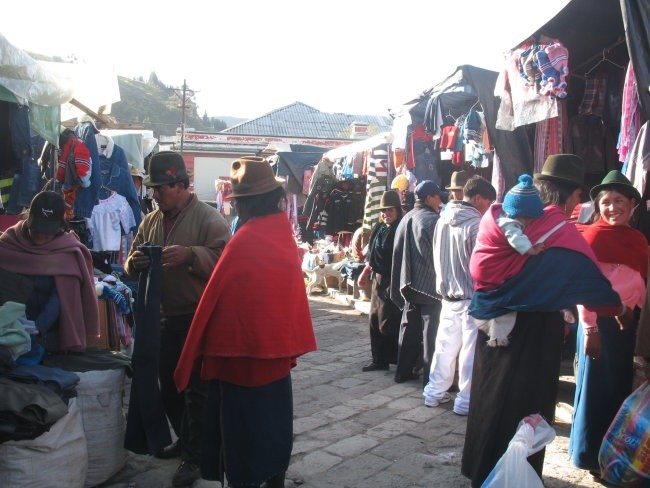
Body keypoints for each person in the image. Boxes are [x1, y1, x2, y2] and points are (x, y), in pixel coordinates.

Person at [461, 154, 628, 488]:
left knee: (490, 399)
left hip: (493, 328)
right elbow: (590, 280)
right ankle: (515, 477)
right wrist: (617, 307)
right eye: (579, 197)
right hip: (533, 336)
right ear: (568, 195)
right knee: (525, 408)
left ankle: (482, 471)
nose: (578, 205)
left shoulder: (508, 216)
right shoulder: (559, 228)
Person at [174, 156, 317, 488]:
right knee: (275, 430)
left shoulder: (246, 239)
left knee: (244, 439)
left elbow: (212, 300)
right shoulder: (281, 233)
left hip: (240, 362)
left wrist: (189, 357)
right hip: (275, 359)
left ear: (244, 203)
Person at [123, 151, 231, 488]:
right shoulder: (151, 220)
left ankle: (195, 457)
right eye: (154, 189)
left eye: (162, 188)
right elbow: (130, 259)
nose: (155, 194)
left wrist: (191, 256)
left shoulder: (209, 218)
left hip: (196, 317)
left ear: (182, 185)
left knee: (195, 390)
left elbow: (226, 262)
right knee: (168, 385)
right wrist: (135, 264)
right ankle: (186, 442)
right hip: (160, 317)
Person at [569, 170, 648, 478]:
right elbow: (582, 286)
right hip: (598, 326)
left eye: (619, 200)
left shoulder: (638, 239)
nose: (613, 208)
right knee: (594, 392)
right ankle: (590, 457)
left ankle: (614, 455)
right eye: (606, 202)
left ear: (633, 204)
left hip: (626, 327)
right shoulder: (591, 237)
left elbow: (638, 283)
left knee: (618, 391)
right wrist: (589, 329)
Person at [423, 176, 495, 414]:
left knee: (444, 347)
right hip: (469, 297)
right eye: (487, 202)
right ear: (476, 198)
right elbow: (480, 265)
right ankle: (465, 401)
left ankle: (434, 393)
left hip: (446, 296)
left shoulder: (442, 218)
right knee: (469, 354)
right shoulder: (477, 224)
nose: (488, 208)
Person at [0, 191, 99, 355]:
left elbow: (63, 297)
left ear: (59, 227)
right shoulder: (9, 243)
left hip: (50, 334)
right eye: (37, 229)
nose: (41, 235)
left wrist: (38, 328)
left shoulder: (68, 253)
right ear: (28, 219)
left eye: (47, 231)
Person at [390, 180, 443, 384]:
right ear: (429, 198)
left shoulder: (406, 218)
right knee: (431, 333)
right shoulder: (432, 220)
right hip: (429, 285)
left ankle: (402, 372)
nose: (440, 201)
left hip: (408, 283)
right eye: (438, 197)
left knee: (409, 328)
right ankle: (430, 379)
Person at [358, 190, 404, 373]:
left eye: (390, 210)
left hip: (394, 279)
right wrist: (365, 272)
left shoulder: (400, 228)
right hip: (378, 279)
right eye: (383, 211)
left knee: (388, 322)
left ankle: (399, 358)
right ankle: (379, 360)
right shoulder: (379, 228)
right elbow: (371, 255)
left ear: (398, 211)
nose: (386, 214)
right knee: (374, 319)